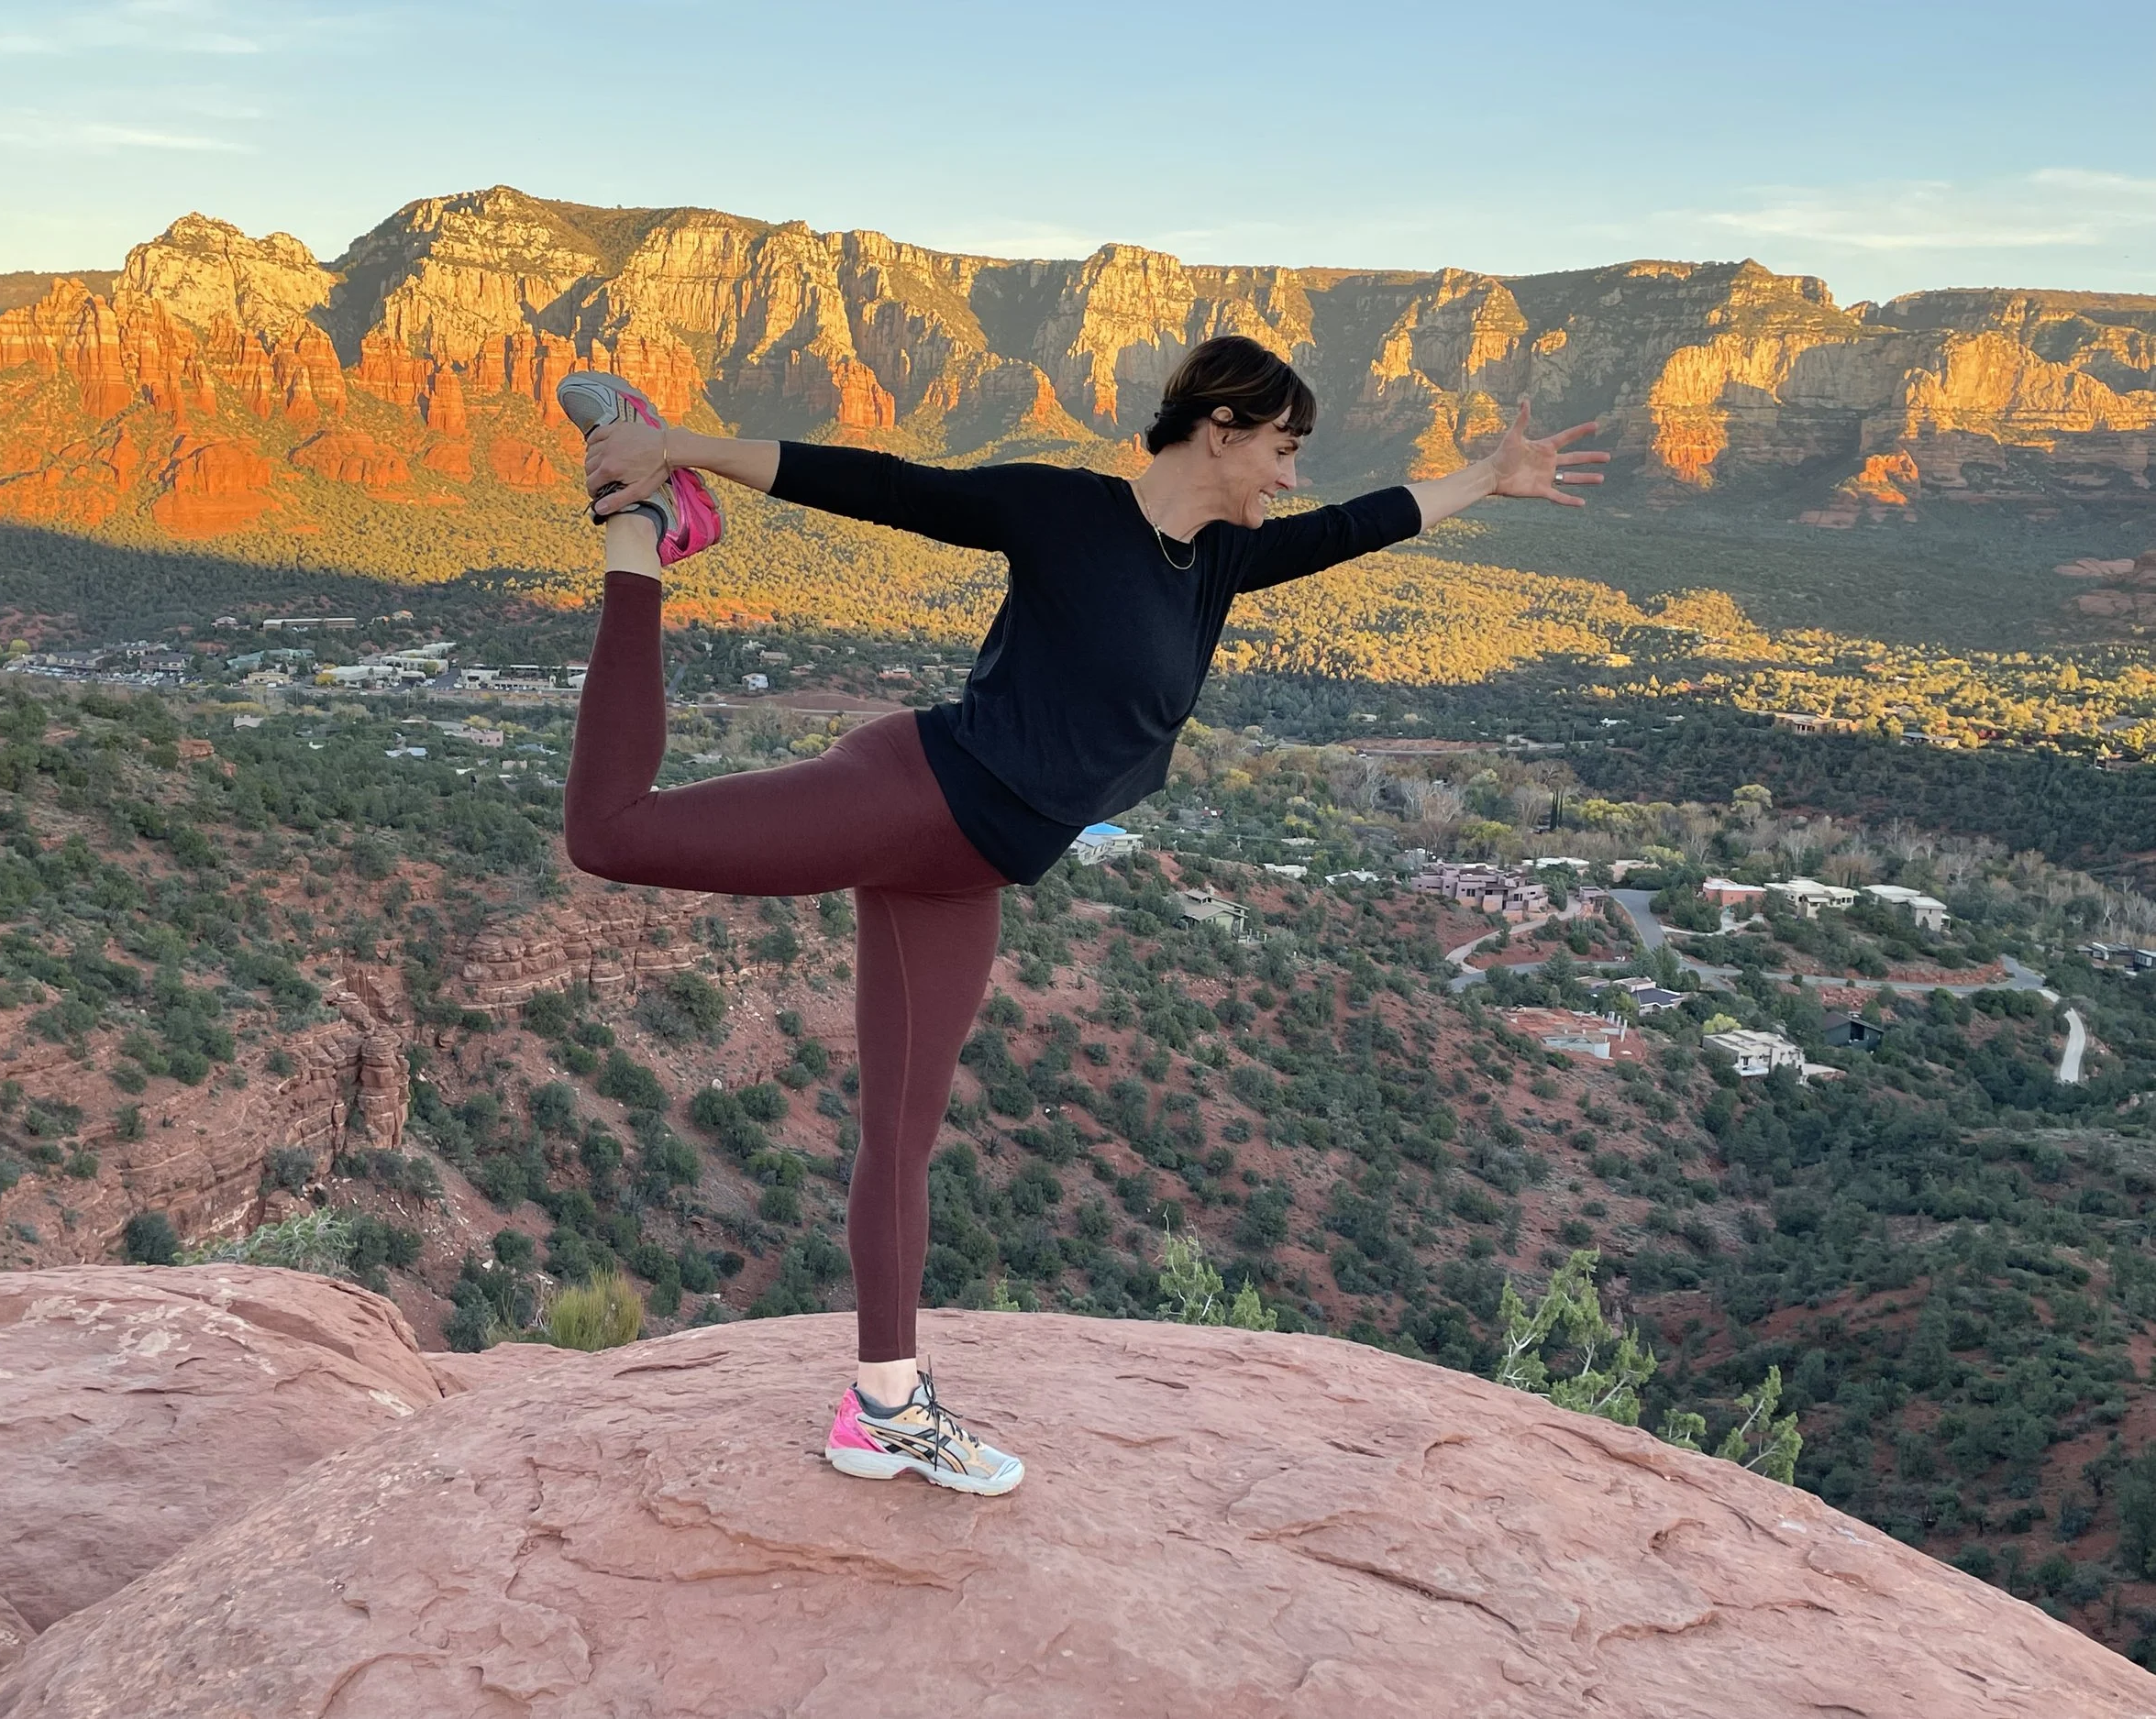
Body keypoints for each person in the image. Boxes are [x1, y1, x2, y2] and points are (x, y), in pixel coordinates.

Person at [557, 336, 1605, 1496]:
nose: (1290, 478)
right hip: (913, 798)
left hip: (970, 866)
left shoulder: (1215, 562)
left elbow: (1366, 520)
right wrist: (675, 447)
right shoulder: (1067, 512)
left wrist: (1485, 478)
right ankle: (642, 532)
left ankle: (884, 1410)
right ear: (1220, 427)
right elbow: (888, 486)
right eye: (1283, 448)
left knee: (900, 1136)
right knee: (612, 833)